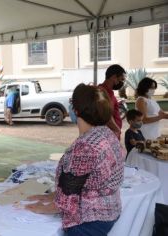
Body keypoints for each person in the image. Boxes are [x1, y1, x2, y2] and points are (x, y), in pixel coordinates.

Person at [26, 84, 125, 236]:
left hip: (87, 221)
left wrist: (45, 207)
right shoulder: (107, 134)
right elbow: (84, 180)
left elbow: (69, 193)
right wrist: (53, 195)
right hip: (108, 212)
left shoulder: (85, 146)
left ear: (76, 110)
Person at [98, 64, 126, 139]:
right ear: (114, 77)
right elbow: (106, 116)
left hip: (111, 135)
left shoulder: (109, 92)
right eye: (121, 79)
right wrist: (117, 129)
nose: (122, 83)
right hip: (108, 136)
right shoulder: (101, 91)